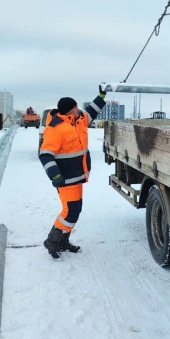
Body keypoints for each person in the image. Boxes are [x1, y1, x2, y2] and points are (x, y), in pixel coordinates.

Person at [38, 86, 107, 259]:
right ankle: (52, 241)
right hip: (65, 179)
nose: (79, 110)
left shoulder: (79, 120)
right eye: (76, 107)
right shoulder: (56, 128)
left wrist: (101, 95)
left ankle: (63, 241)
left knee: (75, 211)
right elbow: (45, 154)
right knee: (69, 212)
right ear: (70, 111)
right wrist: (54, 175)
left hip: (77, 176)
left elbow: (92, 111)